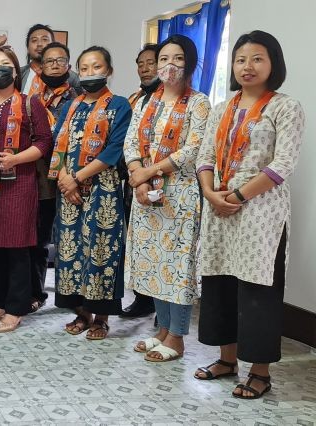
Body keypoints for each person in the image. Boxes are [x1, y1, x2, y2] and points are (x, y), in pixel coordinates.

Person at [194, 30, 305, 400]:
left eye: (257, 58)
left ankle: (259, 370)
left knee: (259, 290)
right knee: (220, 283)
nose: (248, 66)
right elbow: (205, 155)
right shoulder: (223, 107)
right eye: (241, 59)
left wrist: (238, 195)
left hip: (261, 213)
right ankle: (226, 360)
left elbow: (283, 164)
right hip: (219, 207)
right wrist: (211, 193)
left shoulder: (286, 107)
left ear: (273, 63)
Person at [123, 35, 211, 362]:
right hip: (147, 195)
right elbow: (131, 142)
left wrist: (150, 171)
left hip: (180, 195)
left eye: (176, 58)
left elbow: (194, 149)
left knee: (178, 267)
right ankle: (161, 331)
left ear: (188, 63)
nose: (168, 65)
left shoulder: (200, 103)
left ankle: (176, 337)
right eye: (163, 59)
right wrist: (137, 174)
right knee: (154, 265)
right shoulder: (147, 102)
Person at [49, 46, 132, 341]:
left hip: (102, 190)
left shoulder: (120, 105)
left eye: (96, 67)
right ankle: (81, 313)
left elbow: (114, 149)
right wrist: (63, 178)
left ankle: (101, 317)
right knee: (72, 251)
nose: (89, 73)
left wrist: (77, 178)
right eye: (83, 68)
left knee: (100, 249)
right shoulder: (73, 105)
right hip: (68, 190)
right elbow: (58, 142)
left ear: (108, 70)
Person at [0, 47, 52, 333]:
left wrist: (15, 158)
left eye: (6, 64)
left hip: (20, 182)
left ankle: (17, 307)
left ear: (15, 69)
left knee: (17, 246)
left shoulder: (31, 103)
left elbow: (44, 142)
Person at [28, 41, 79, 314]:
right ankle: (37, 292)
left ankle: (74, 296)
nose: (55, 65)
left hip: (74, 178)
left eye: (60, 60)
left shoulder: (80, 98)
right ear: (40, 67)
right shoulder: (34, 100)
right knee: (39, 239)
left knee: (71, 239)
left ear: (69, 66)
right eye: (49, 61)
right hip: (43, 180)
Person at [120, 44, 160, 319]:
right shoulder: (135, 99)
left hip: (162, 178)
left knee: (161, 242)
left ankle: (163, 305)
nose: (145, 68)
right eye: (141, 63)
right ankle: (143, 298)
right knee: (137, 240)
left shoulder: (173, 100)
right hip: (133, 178)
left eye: (151, 63)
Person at [20, 24, 80, 97]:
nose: (39, 44)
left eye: (45, 39)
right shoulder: (18, 75)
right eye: (34, 40)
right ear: (28, 48)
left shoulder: (72, 78)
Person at [127, 44, 161, 109]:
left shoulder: (169, 97)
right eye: (140, 65)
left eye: (150, 63)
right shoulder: (133, 99)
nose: (144, 69)